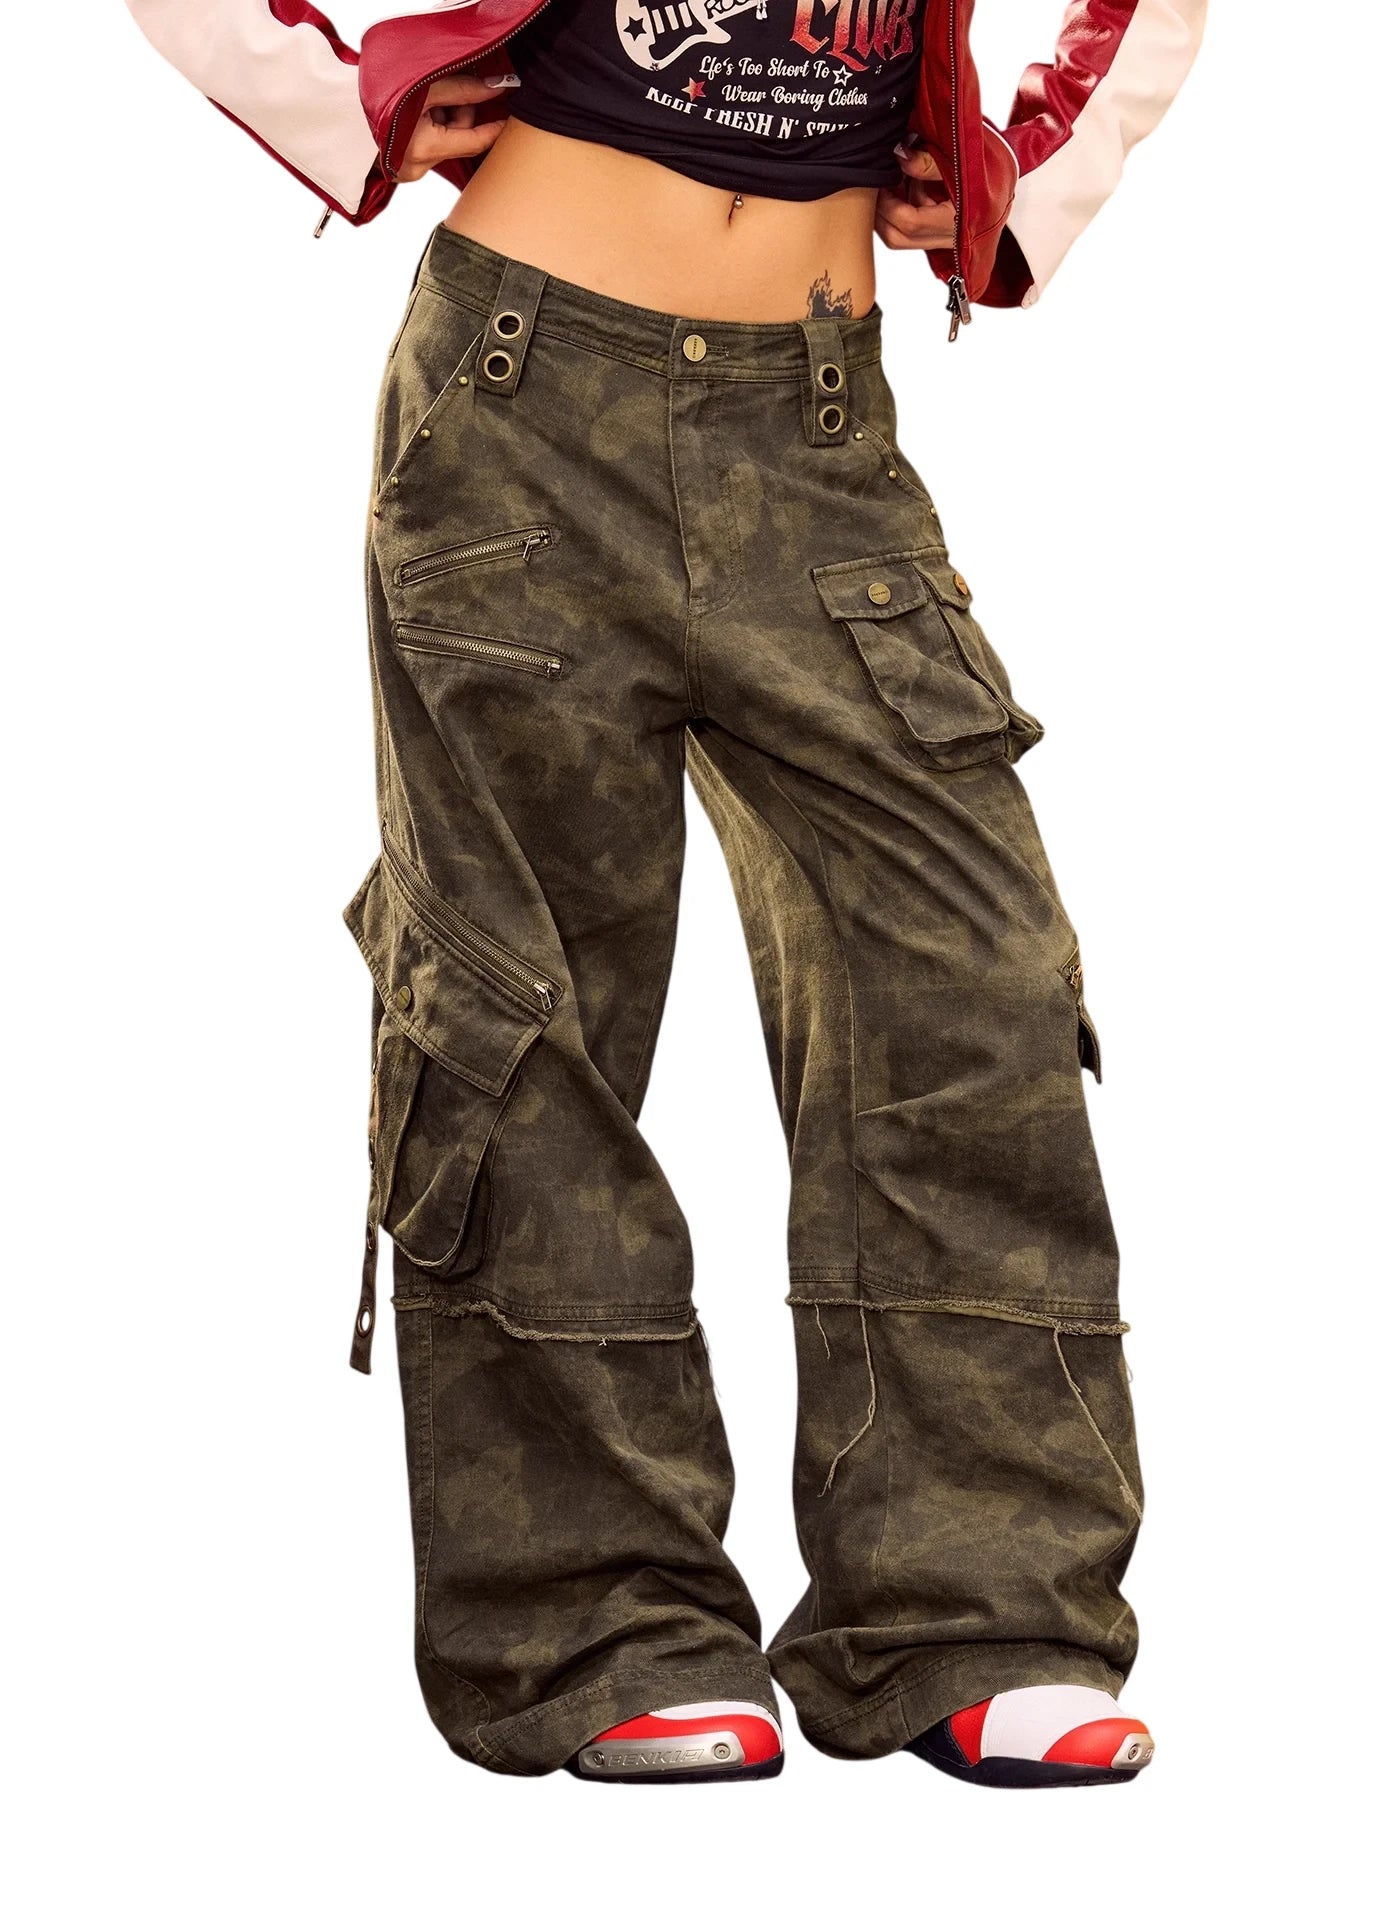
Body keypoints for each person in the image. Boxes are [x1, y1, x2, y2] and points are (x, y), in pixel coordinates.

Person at [125, 0, 1205, 1788]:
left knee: (972, 979)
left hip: (822, 424)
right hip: (522, 400)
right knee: (523, 1008)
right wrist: (334, 100)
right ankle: (596, 1622)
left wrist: (1025, 176)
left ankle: (971, 1618)